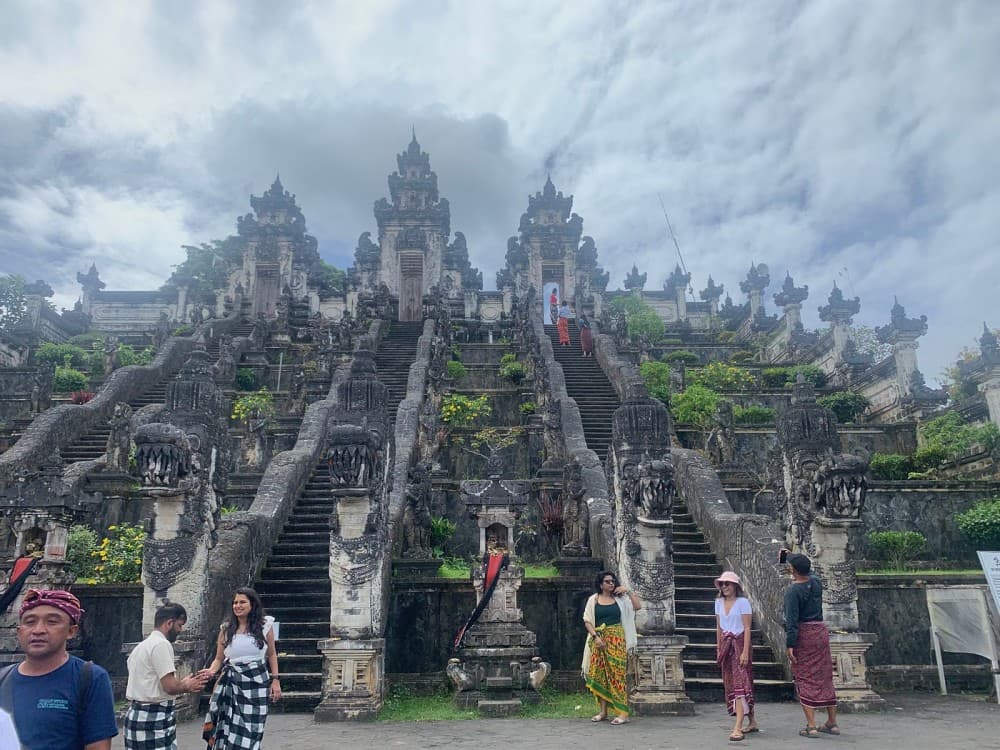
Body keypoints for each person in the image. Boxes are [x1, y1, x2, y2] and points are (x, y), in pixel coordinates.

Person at [0, 588, 117, 749]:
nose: (38, 630)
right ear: (19, 632)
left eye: (52, 621)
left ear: (71, 631)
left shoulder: (89, 679)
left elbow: (98, 746)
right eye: (30, 622)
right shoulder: (2, 679)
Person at [199, 588, 280, 750]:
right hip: (231, 684)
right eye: (235, 602)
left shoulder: (265, 626)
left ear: (252, 604)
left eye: (242, 602)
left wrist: (275, 680)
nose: (237, 606)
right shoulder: (226, 629)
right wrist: (210, 671)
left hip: (256, 684)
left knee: (252, 730)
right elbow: (219, 659)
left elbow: (271, 654)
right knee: (227, 727)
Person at [124, 602, 208, 750]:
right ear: (169, 623)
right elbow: (169, 686)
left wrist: (182, 683)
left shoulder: (141, 647)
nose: (180, 630)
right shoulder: (161, 645)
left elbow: (153, 682)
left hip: (137, 714)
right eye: (180, 625)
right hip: (153, 716)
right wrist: (187, 685)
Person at [783, 551, 840, 738]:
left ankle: (811, 725)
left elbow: (791, 621)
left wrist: (790, 644)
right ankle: (832, 721)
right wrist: (790, 556)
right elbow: (810, 570)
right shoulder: (815, 583)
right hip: (820, 631)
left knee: (804, 677)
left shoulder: (793, 591)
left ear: (792, 570)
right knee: (824, 675)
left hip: (804, 634)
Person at [582, 570, 641, 725]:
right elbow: (588, 621)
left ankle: (622, 712)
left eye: (613, 581)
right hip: (599, 640)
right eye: (607, 581)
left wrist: (627, 591)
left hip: (617, 640)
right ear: (601, 584)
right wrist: (596, 637)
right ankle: (603, 711)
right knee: (599, 675)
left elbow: (637, 606)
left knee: (617, 675)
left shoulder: (620, 599)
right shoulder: (593, 600)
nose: (611, 583)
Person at [714, 571, 759, 741]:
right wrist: (718, 647)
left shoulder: (743, 603)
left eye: (728, 584)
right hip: (726, 644)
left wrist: (745, 652)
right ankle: (752, 720)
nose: (725, 587)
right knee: (732, 683)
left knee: (741, 684)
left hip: (740, 644)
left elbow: (747, 628)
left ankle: (738, 727)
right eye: (723, 584)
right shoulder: (718, 602)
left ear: (735, 586)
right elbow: (719, 626)